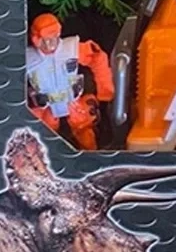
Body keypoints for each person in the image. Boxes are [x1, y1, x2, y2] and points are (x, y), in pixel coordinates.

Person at [26, 14, 113, 150]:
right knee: (40, 131)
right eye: (45, 40)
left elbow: (98, 58)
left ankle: (92, 154)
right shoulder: (28, 58)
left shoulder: (72, 49)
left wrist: (105, 90)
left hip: (73, 100)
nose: (50, 44)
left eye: (53, 38)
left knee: (82, 122)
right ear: (36, 39)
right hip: (45, 105)